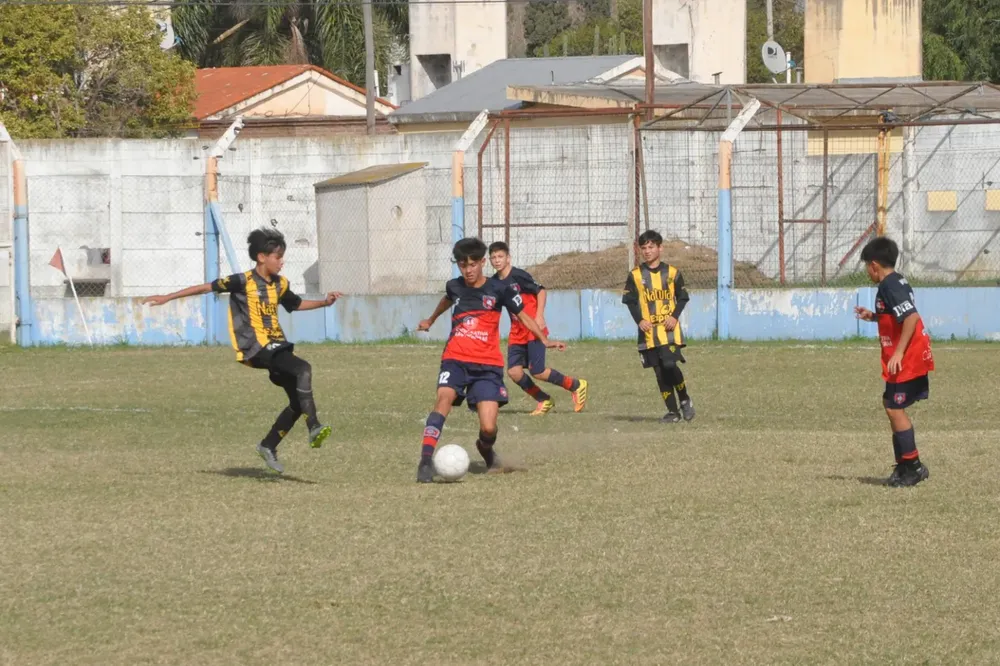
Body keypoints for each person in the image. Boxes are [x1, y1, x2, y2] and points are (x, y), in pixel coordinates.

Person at [142, 227, 341, 474]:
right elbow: (206, 288)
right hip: (256, 347)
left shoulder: (280, 285)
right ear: (262, 257)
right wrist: (167, 297)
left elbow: (296, 303)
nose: (282, 262)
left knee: (297, 401)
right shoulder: (242, 281)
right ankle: (314, 427)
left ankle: (268, 445)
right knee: (304, 368)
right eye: (278, 257)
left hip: (277, 347)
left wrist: (324, 302)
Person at [415, 238, 566, 483]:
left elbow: (524, 316)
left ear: (483, 262)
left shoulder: (499, 289)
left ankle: (486, 450)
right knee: (443, 399)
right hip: (455, 359)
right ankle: (424, 462)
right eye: (463, 265)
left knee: (488, 428)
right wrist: (430, 320)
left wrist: (544, 339)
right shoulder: (455, 286)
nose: (468, 270)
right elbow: (447, 299)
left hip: (487, 365)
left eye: (473, 264)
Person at [854, 236, 933, 487]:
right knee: (890, 403)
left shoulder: (889, 285)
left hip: (907, 358)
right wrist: (874, 317)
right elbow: (896, 315)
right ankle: (904, 465)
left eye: (867, 266)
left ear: (874, 265)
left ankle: (913, 467)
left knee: (894, 407)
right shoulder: (895, 281)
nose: (868, 271)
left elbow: (910, 317)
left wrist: (898, 352)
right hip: (908, 356)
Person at [488, 242, 588, 415]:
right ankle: (544, 399)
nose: (497, 260)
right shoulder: (494, 282)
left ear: (508, 258)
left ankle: (576, 385)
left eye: (500, 257)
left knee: (538, 371)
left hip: (533, 329)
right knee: (514, 372)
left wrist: (539, 315)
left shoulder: (519, 275)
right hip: (516, 331)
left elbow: (541, 290)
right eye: (493, 257)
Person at [622, 230, 695, 423]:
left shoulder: (672, 273)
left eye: (651, 247)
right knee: (659, 372)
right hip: (648, 333)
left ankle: (685, 399)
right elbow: (629, 301)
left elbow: (683, 297)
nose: (647, 251)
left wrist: (674, 316)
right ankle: (673, 412)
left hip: (668, 331)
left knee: (670, 365)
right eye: (644, 248)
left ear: (660, 248)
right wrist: (640, 320)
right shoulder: (636, 275)